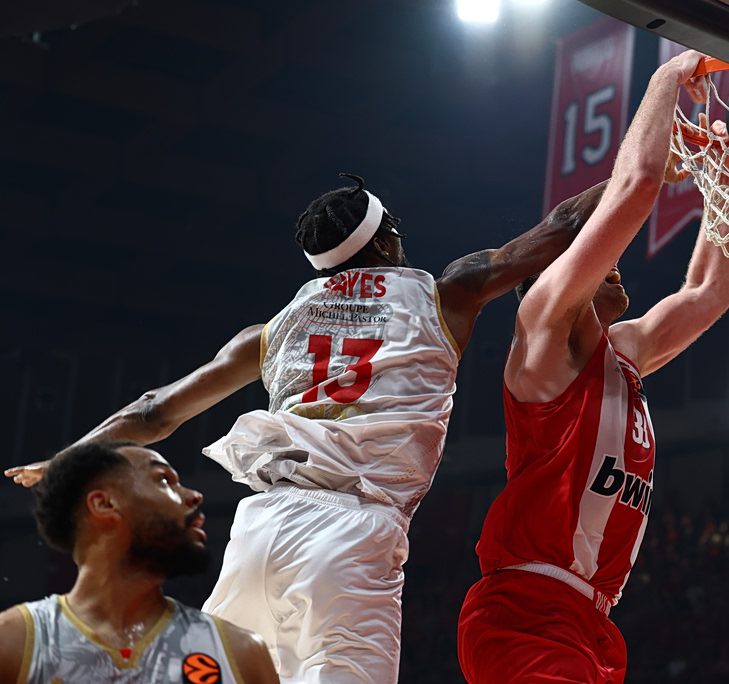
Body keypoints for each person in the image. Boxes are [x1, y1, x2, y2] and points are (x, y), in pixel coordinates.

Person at [5, 174, 606, 684]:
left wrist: (69, 457)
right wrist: (662, 164)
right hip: (351, 529)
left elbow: (155, 411)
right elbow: (564, 224)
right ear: (387, 238)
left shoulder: (274, 329)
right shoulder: (447, 293)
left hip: (259, 529)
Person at [457, 49, 729, 684]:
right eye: (598, 258)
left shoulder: (625, 355)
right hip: (522, 613)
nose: (616, 263)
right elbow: (636, 186)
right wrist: (672, 74)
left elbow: (708, 295)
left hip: (593, 621)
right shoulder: (542, 333)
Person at [0, 441, 278, 684]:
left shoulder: (240, 652)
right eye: (164, 480)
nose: (194, 496)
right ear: (104, 504)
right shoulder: (14, 641)